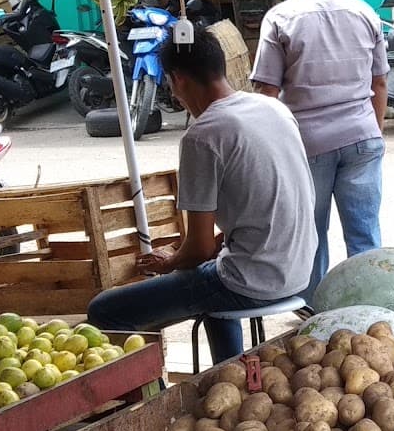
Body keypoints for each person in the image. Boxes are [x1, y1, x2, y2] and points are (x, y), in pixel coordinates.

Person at [88, 27, 316, 363]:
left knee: (104, 310)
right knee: (208, 277)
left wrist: (170, 262)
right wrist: (196, 256)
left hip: (252, 282)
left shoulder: (204, 135)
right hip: (299, 271)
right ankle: (229, 371)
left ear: (178, 80)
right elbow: (262, 210)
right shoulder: (272, 108)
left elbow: (199, 249)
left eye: (170, 86)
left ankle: (154, 398)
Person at [252, 0, 389, 299]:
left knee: (310, 235)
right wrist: (371, 134)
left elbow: (266, 93)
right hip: (363, 137)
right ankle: (371, 309)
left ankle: (312, 316)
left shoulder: (280, 18)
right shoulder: (364, 11)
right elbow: (379, 85)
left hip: (307, 144)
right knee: (364, 235)